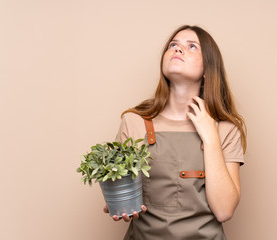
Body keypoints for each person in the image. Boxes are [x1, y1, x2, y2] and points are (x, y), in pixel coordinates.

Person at [103, 25, 247, 240]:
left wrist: (210, 137)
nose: (178, 50)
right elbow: (121, 192)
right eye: (173, 45)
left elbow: (224, 210)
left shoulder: (225, 129)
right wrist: (117, 200)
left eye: (191, 47)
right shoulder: (133, 122)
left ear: (208, 69)